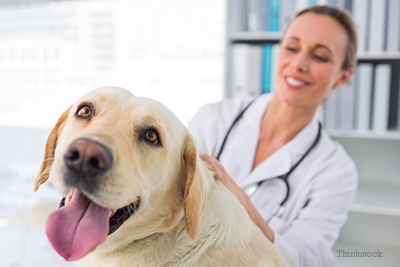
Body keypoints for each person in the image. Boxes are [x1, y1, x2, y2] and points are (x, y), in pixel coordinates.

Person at [188, 6, 358, 267]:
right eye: (292, 48)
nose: (299, 64)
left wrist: (241, 204)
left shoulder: (336, 170)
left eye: (320, 57)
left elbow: (305, 260)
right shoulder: (213, 120)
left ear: (343, 76)